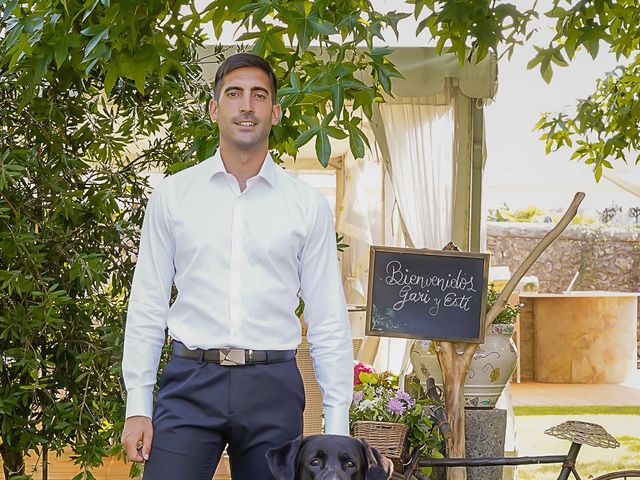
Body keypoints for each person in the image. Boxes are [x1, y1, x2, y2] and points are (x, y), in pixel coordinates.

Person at [120, 52, 354, 480]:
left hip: (273, 386)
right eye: (234, 94)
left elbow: (327, 317)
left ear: (275, 112)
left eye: (259, 95)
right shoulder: (174, 196)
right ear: (214, 108)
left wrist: (336, 423)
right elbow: (148, 303)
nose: (246, 105)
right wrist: (138, 404)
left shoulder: (306, 206)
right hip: (190, 381)